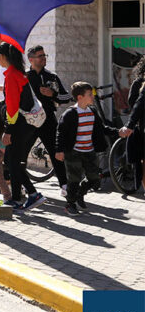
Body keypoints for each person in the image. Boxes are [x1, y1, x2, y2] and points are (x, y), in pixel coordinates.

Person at [0, 42, 46, 212]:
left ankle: (33, 195)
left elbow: (12, 106)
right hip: (27, 125)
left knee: (12, 162)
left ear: (3, 57)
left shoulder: (11, 76)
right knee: (13, 160)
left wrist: (8, 131)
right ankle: (16, 199)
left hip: (19, 126)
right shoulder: (19, 74)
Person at [26, 45, 72, 195]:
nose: (44, 58)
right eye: (40, 56)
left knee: (56, 152)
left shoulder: (52, 77)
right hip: (29, 122)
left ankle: (64, 185)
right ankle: (18, 185)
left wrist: (52, 94)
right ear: (31, 60)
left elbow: (67, 97)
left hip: (48, 121)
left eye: (44, 55)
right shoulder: (25, 77)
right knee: (21, 153)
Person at [56, 82, 105, 215]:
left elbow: (101, 129)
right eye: (90, 94)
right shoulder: (70, 114)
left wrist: (118, 132)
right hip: (74, 152)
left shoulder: (92, 111)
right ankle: (70, 204)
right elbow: (61, 133)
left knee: (95, 179)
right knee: (74, 179)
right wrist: (59, 150)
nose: (92, 97)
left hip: (89, 151)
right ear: (80, 97)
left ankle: (80, 193)